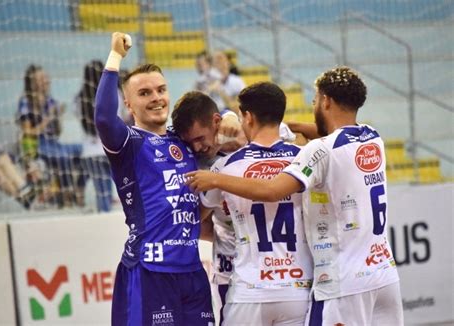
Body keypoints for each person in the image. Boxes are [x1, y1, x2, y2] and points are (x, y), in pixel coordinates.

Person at [186, 66, 403, 325]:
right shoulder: (372, 137)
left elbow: (271, 191)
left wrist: (215, 178)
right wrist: (282, 127)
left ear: (325, 101)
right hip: (382, 275)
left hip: (338, 283)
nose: (312, 106)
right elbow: (328, 135)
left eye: (314, 101)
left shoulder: (314, 152)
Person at [94, 32, 214, 325]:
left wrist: (230, 117)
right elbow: (103, 118)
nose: (157, 98)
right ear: (129, 103)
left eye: (161, 90)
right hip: (149, 270)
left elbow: (215, 119)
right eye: (145, 93)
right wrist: (115, 57)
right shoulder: (128, 142)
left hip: (193, 271)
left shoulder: (184, 139)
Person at [171, 90, 301, 325]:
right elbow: (192, 222)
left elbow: (293, 136)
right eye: (190, 143)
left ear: (217, 122)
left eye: (200, 138)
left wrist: (235, 122)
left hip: (270, 275)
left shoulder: (225, 165)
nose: (197, 147)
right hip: (230, 272)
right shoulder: (199, 163)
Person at [17, 64, 84, 208]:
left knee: (85, 152)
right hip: (38, 145)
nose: (47, 81)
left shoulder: (50, 101)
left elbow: (57, 133)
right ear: (33, 83)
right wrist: (48, 117)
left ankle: (78, 189)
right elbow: (28, 132)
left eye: (46, 77)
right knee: (63, 157)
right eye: (42, 78)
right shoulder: (26, 102)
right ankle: (67, 199)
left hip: (54, 143)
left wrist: (58, 118)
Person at [76, 60, 113, 213]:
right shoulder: (112, 94)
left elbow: (79, 116)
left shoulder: (78, 99)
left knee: (101, 190)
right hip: (109, 147)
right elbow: (120, 117)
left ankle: (103, 215)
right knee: (108, 189)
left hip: (90, 151)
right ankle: (107, 215)